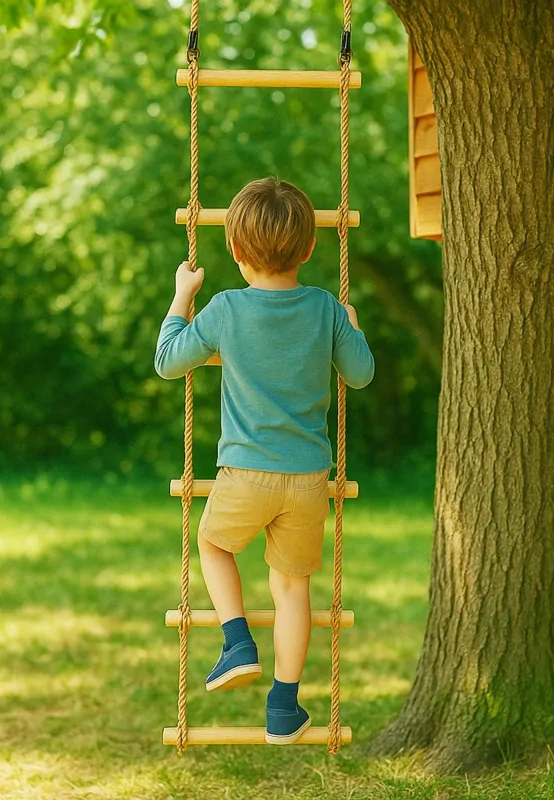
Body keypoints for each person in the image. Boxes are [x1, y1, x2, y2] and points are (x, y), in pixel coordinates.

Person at [155, 177, 374, 744]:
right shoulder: (326, 308)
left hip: (246, 473)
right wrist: (352, 327)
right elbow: (361, 374)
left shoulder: (225, 309)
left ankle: (236, 642)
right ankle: (283, 709)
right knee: (292, 589)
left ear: (233, 250)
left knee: (212, 544)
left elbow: (168, 361)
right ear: (308, 249)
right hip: (307, 479)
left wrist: (183, 294)